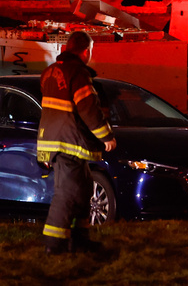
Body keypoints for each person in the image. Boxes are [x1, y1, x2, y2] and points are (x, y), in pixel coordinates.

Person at [37, 30, 117, 254]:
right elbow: (88, 108)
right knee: (67, 194)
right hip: (68, 143)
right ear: (86, 52)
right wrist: (106, 137)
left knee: (82, 190)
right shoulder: (78, 74)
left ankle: (80, 240)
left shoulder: (50, 72)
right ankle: (54, 245)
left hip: (56, 141)